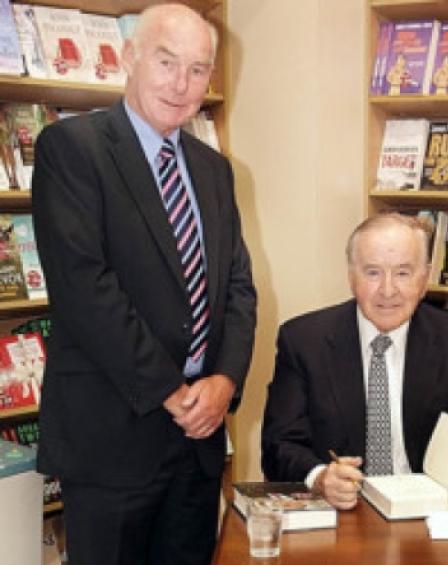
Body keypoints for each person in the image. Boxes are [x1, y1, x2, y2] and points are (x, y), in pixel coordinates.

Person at [31, 4, 257, 564]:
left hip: (198, 441)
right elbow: (86, 290)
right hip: (113, 438)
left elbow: (237, 286)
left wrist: (225, 379)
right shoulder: (72, 149)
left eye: (199, 69)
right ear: (129, 57)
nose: (182, 84)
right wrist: (172, 392)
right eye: (166, 61)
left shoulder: (213, 168)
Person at [261, 213, 448, 511]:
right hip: (340, 514)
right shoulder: (303, 340)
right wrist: (320, 478)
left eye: (403, 273)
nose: (388, 290)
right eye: (372, 273)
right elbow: (278, 446)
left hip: (427, 513)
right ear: (351, 276)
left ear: (424, 278)